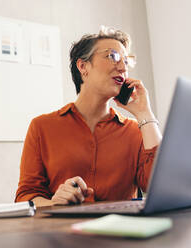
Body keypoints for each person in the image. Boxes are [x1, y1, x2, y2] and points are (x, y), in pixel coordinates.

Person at [15, 26, 162, 207]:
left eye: (126, 61)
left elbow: (160, 186)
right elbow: (26, 196)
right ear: (83, 66)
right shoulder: (42, 127)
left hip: (119, 232)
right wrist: (54, 203)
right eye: (113, 56)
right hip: (62, 232)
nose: (123, 67)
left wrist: (144, 113)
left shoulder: (136, 130)